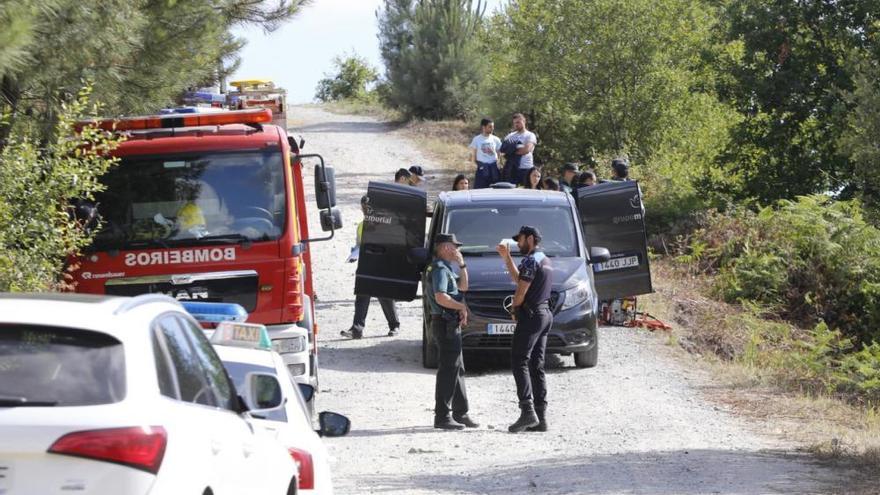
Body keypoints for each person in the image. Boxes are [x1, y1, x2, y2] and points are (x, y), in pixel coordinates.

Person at [496, 226, 553, 433]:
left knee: (519, 360)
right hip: (545, 314)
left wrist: (515, 307)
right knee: (536, 365)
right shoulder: (543, 259)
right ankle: (541, 418)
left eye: (519, 239)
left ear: (530, 238)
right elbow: (520, 278)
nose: (518, 243)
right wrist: (507, 258)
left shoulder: (530, 260)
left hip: (531, 316)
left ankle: (527, 411)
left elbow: (521, 289)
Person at [426, 233, 478, 430]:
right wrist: (461, 307)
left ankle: (460, 413)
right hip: (444, 323)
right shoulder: (439, 269)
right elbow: (441, 297)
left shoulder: (446, 267)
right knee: (448, 370)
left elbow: (463, 287)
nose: (457, 249)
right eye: (454, 246)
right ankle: (442, 416)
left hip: (449, 323)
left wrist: (462, 265)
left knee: (457, 368)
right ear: (444, 247)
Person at [341, 195, 401, 339]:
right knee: (362, 295)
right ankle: (357, 329)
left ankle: (394, 326)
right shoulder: (361, 225)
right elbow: (359, 244)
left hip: (381, 265)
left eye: (367, 208)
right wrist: (354, 253)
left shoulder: (385, 224)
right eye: (363, 208)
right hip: (365, 264)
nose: (365, 211)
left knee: (385, 296)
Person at [501, 113, 537, 185]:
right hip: (512, 169)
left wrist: (511, 151)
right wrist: (512, 150)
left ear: (524, 121)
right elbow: (502, 150)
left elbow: (526, 150)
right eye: (514, 123)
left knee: (525, 192)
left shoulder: (530, 135)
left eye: (518, 122)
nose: (516, 124)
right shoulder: (510, 136)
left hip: (526, 168)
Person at [468, 118, 502, 189]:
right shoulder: (476, 139)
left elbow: (499, 154)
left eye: (493, 126)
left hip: (494, 169)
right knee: (480, 191)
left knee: (495, 190)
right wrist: (475, 165)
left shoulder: (496, 139)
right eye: (490, 126)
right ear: (483, 127)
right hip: (482, 169)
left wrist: (499, 164)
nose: (492, 128)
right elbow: (473, 155)